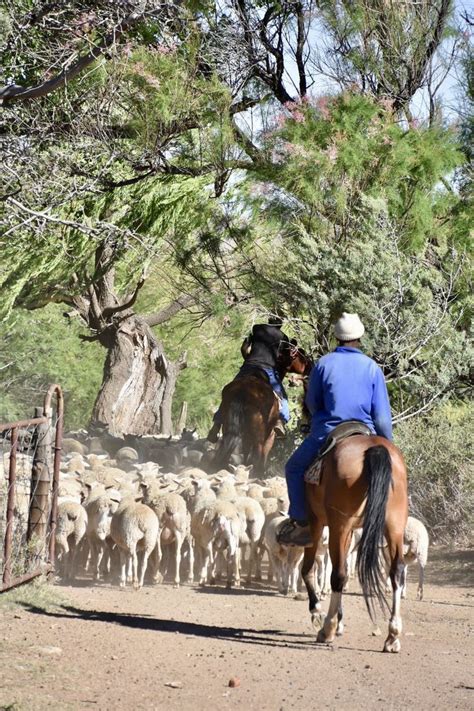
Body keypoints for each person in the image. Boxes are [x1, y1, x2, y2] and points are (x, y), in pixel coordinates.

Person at [278, 312, 393, 547]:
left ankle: (302, 524)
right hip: (365, 431)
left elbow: (312, 403)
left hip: (328, 430)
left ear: (337, 337)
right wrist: (388, 444)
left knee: (294, 468)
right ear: (359, 337)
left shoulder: (323, 364)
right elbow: (381, 415)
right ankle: (388, 518)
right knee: (390, 470)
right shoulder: (372, 367)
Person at [207, 316, 291, 442]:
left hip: (248, 366)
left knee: (228, 395)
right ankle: (280, 421)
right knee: (282, 397)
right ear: (281, 324)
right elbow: (285, 359)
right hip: (268, 369)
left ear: (269, 321)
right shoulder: (283, 338)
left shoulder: (257, 328)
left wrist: (248, 358)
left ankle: (217, 425)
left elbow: (244, 348)